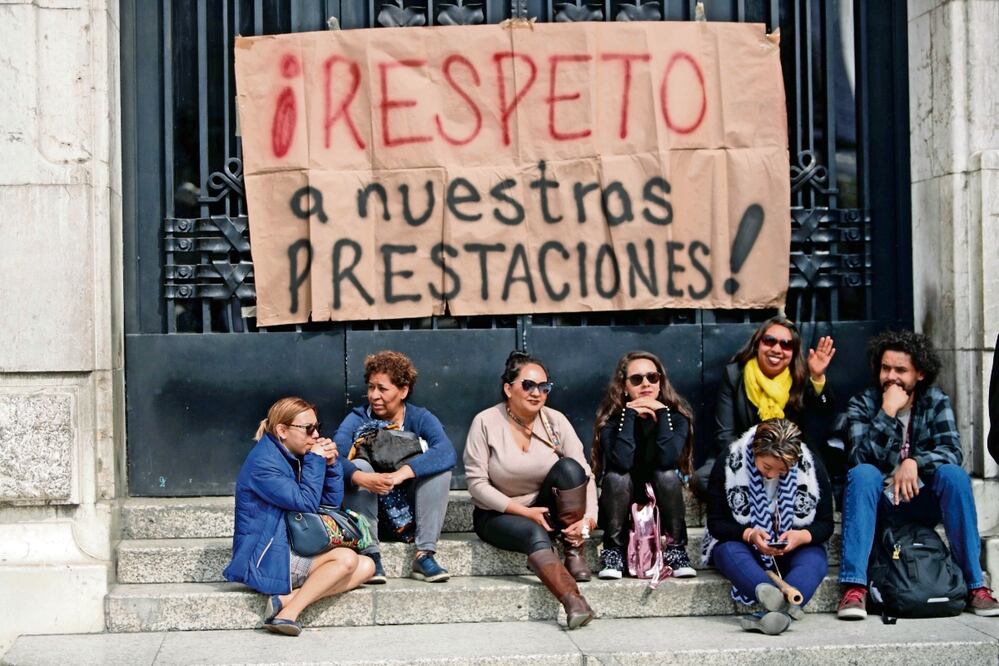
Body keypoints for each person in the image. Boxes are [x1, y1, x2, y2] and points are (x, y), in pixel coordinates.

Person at [837, 329, 999, 619]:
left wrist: (915, 462)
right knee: (863, 475)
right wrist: (887, 412)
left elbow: (951, 450)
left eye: (901, 370)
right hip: (880, 505)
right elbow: (860, 458)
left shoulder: (934, 401)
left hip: (920, 502)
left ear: (920, 373)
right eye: (885, 368)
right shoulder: (862, 403)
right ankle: (854, 588)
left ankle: (976, 587)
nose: (891, 377)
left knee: (954, 476)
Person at [464, 350, 598, 629]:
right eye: (528, 385)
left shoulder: (555, 420)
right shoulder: (485, 422)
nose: (537, 393)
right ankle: (574, 602)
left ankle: (574, 549)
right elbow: (477, 485)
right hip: (499, 514)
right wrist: (525, 513)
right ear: (508, 388)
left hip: (546, 508)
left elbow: (585, 473)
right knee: (534, 533)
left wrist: (588, 522)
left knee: (570, 468)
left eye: (544, 387)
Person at [223, 397, 374, 636]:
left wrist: (331, 465)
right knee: (346, 559)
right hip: (266, 555)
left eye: (317, 427)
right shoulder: (264, 464)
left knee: (367, 565)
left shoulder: (294, 454)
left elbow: (328, 504)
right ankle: (288, 614)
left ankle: (286, 599)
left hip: (289, 544)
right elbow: (306, 503)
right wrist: (315, 459)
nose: (316, 435)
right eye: (308, 428)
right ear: (282, 431)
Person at [333, 351, 457, 584]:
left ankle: (424, 554)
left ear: (403, 391)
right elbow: (335, 456)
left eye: (382, 389)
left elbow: (446, 451)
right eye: (371, 387)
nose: (374, 395)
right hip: (369, 511)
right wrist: (361, 477)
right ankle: (370, 554)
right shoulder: (357, 418)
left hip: (409, 516)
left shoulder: (419, 417)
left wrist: (402, 474)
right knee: (358, 465)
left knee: (440, 471)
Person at [703, 418, 833, 636]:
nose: (772, 474)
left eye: (782, 470)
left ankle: (771, 613)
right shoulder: (729, 462)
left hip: (792, 547)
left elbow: (826, 524)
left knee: (815, 559)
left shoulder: (810, 466)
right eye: (767, 466)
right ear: (755, 451)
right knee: (726, 551)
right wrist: (750, 534)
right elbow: (716, 523)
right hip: (745, 545)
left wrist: (801, 536)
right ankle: (783, 603)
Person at [694, 316, 838, 500]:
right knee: (703, 479)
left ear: (793, 352)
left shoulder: (800, 376)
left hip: (790, 457)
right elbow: (725, 435)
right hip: (743, 453)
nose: (776, 349)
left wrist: (817, 378)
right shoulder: (734, 375)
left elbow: (823, 412)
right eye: (769, 341)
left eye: (786, 345)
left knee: (817, 481)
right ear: (757, 344)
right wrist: (758, 464)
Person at [591, 350, 697, 579]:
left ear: (661, 382)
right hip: (622, 499)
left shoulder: (676, 418)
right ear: (624, 386)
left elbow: (667, 459)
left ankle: (676, 550)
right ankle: (613, 552)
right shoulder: (612, 420)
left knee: (667, 474)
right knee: (615, 477)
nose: (646, 384)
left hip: (661, 498)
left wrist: (662, 414)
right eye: (637, 379)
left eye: (652, 377)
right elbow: (621, 462)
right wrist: (629, 415)